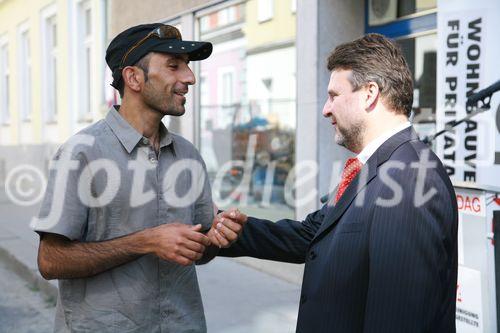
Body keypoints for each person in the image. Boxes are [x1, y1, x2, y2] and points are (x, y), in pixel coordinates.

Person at [217, 33, 458, 332]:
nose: (325, 109)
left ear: (369, 94)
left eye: (333, 96)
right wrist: (227, 229)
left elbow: (398, 317)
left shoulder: (408, 178)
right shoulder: (374, 165)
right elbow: (312, 235)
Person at [33, 23, 244, 333]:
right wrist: (145, 242)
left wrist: (216, 239)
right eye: (174, 66)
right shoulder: (82, 153)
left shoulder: (188, 155)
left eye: (187, 67)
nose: (190, 78)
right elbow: (50, 261)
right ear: (133, 78)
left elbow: (201, 253)